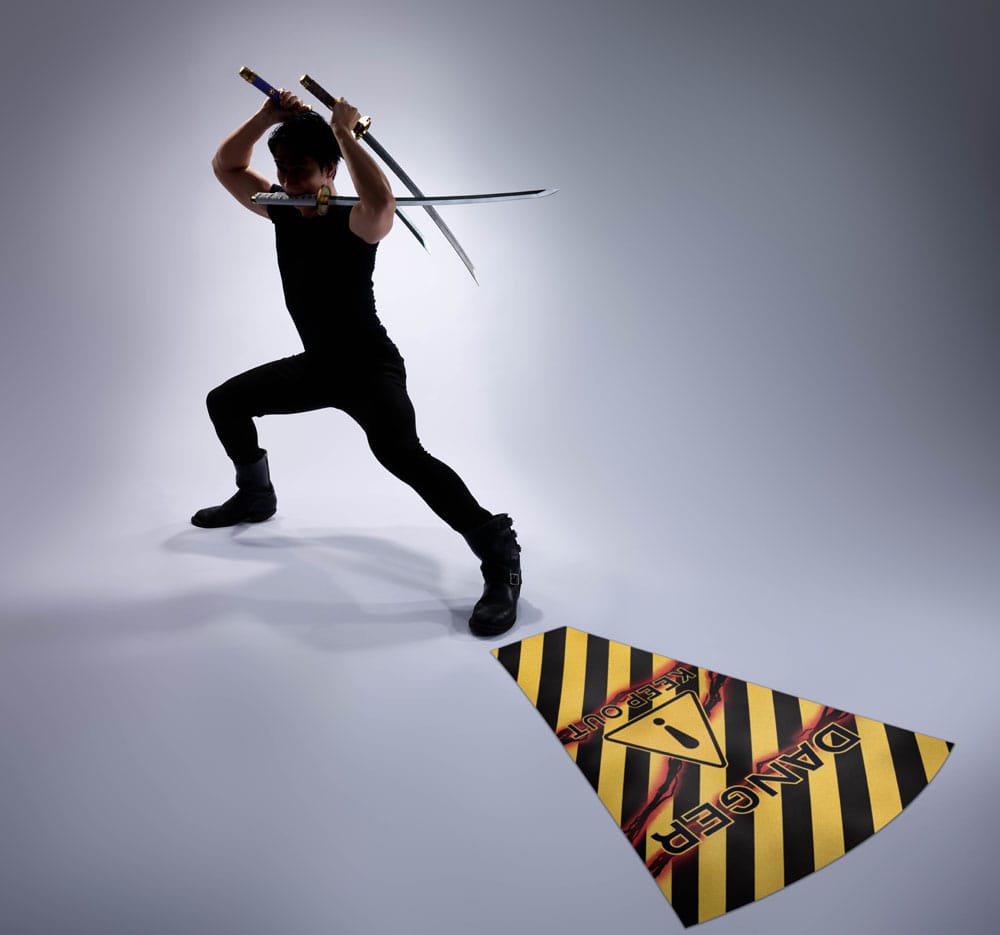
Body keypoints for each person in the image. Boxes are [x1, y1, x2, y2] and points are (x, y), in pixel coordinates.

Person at [193, 89, 521, 636]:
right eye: (282, 170)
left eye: (300, 171)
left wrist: (345, 133)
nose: (287, 181)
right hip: (320, 366)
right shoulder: (280, 210)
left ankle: (498, 552)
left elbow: (382, 205)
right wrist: (267, 116)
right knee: (225, 403)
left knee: (403, 456)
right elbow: (226, 165)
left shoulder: (356, 222)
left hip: (369, 369)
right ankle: (255, 496)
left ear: (329, 170)